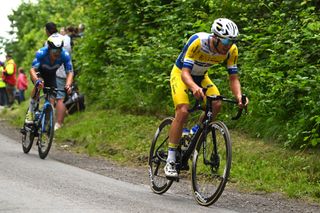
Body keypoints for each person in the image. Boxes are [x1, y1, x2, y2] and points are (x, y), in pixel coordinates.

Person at [165, 18, 249, 178]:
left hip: (202, 76)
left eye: (232, 41)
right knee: (183, 111)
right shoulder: (198, 42)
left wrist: (239, 97)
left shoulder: (232, 50)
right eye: (225, 40)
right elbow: (184, 73)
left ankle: (195, 132)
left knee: (216, 103)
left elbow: (233, 78)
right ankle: (170, 160)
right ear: (215, 37)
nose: (228, 44)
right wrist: (194, 88)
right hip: (182, 74)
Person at [25, 34, 73, 124]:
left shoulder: (64, 55)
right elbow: (32, 70)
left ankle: (46, 123)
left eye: (59, 50)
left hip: (51, 75)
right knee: (39, 86)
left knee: (52, 98)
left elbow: (69, 72)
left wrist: (68, 85)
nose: (57, 53)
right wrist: (36, 80)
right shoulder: (42, 53)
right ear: (49, 48)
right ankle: (30, 113)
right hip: (39, 73)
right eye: (54, 50)